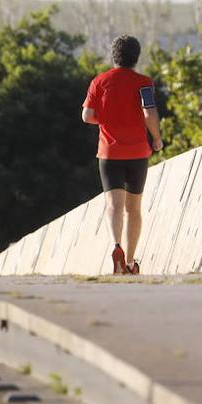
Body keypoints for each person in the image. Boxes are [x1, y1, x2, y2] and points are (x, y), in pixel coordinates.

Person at [82, 35, 163, 275]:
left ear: (113, 56)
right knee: (133, 208)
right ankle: (129, 261)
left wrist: (106, 121)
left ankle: (116, 245)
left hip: (108, 152)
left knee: (114, 206)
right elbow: (149, 112)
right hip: (137, 151)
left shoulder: (99, 81)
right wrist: (156, 138)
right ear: (136, 57)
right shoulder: (144, 82)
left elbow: (87, 115)